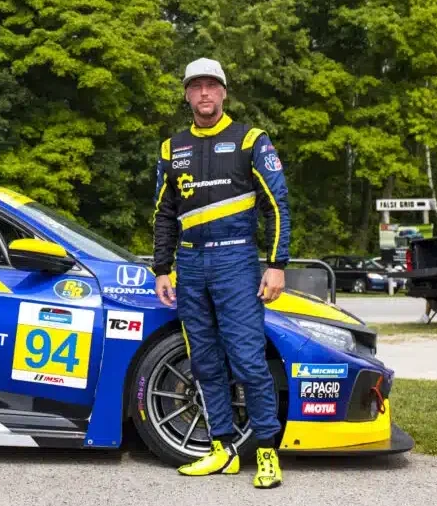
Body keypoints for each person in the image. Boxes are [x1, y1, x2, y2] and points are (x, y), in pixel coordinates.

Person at [151, 57, 291, 489]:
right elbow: (163, 214)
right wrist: (161, 269)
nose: (205, 94)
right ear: (187, 94)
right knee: (205, 361)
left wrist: (276, 265)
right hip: (190, 264)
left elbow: (277, 206)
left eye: (212, 86)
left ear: (224, 92)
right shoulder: (171, 147)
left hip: (237, 261)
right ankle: (222, 449)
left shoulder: (251, 139)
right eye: (196, 87)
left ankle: (267, 453)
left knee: (248, 360)